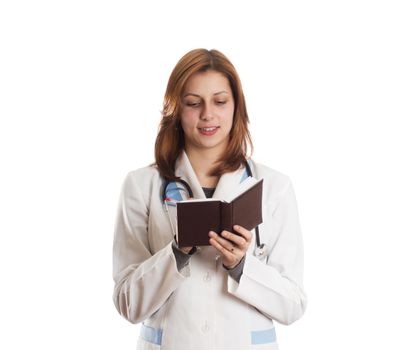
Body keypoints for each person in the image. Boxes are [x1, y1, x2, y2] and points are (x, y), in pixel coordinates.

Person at [112, 48, 307, 350]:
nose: (207, 114)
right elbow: (128, 303)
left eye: (220, 101)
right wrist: (176, 253)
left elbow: (292, 304)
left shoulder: (274, 187)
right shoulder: (141, 185)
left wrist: (242, 267)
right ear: (176, 108)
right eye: (193, 103)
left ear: (236, 106)